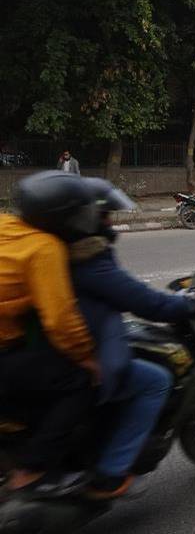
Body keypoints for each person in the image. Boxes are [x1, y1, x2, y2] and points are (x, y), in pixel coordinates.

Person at [69, 178, 195, 499]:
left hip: (65, 351)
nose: (110, 222)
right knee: (156, 380)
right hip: (83, 358)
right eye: (105, 216)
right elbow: (144, 301)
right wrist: (188, 304)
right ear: (87, 219)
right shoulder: (89, 262)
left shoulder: (57, 252)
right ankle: (111, 473)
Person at [0, 171, 100, 497]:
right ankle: (32, 470)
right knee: (78, 383)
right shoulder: (44, 247)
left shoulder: (6, 225)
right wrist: (87, 358)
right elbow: (60, 320)